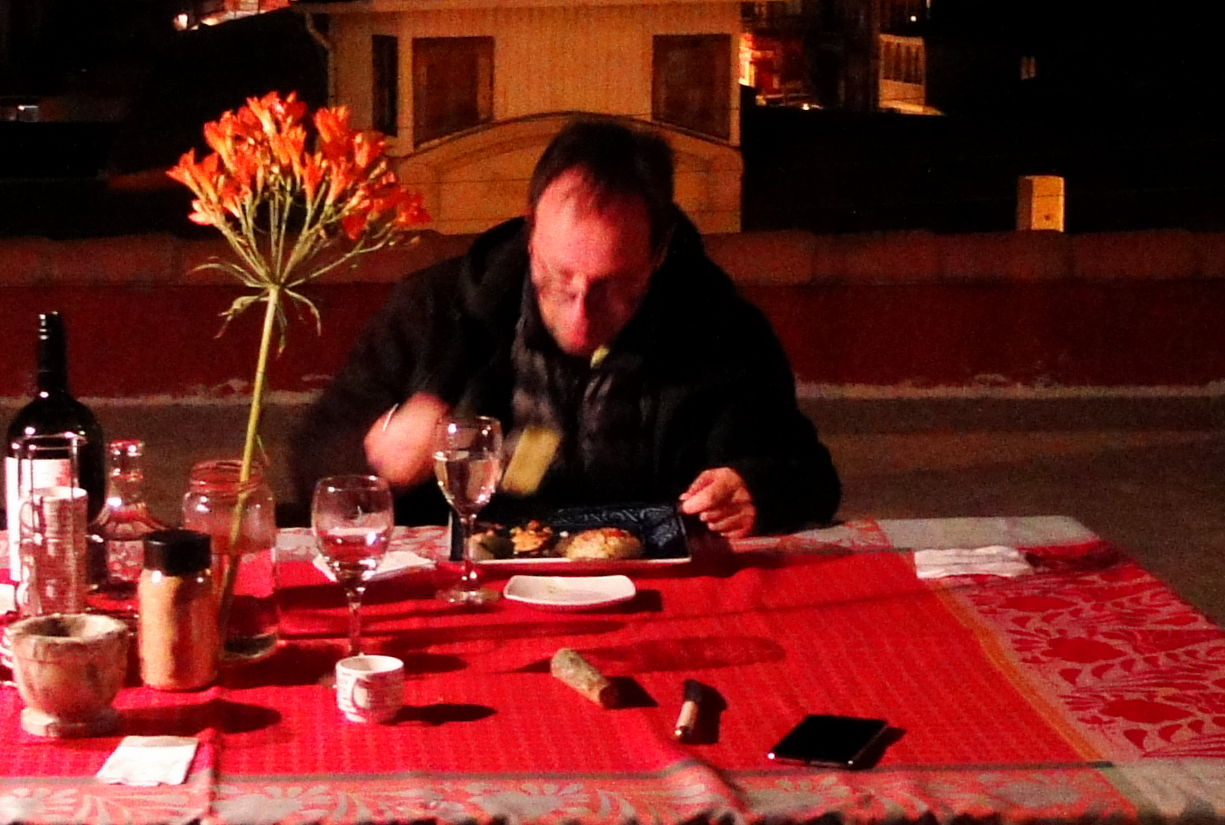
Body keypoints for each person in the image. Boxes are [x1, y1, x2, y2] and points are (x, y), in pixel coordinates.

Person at [291, 117, 838, 538]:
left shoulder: (721, 328)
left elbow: (808, 475)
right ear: (531, 235)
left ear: (659, 253)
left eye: (611, 287)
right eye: (557, 280)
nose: (580, 317)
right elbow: (312, 459)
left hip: (653, 590)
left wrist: (754, 489)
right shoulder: (435, 309)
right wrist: (379, 452)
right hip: (479, 588)